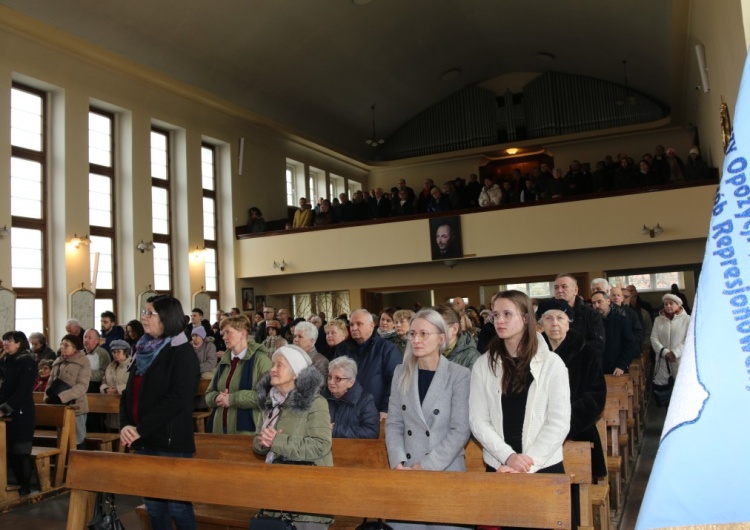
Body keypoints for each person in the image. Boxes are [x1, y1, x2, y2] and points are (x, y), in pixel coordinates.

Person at [385, 308, 471, 530]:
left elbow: (460, 430)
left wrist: (426, 466)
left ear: (441, 338)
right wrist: (399, 462)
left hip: (444, 470)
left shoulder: (459, 375)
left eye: (424, 334)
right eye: (413, 334)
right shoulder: (401, 372)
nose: (416, 340)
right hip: (407, 472)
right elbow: (394, 423)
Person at [120, 295, 201, 530]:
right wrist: (125, 424)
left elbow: (178, 398)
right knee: (154, 508)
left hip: (170, 440)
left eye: (149, 313)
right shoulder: (143, 348)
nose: (143, 318)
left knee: (178, 507)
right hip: (143, 438)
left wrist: (140, 428)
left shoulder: (182, 353)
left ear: (167, 317)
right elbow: (128, 393)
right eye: (143, 312)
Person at [469, 290, 570, 476]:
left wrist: (526, 464)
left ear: (525, 318)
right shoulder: (483, 364)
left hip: (543, 465)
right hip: (500, 465)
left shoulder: (552, 363)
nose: (499, 320)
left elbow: (559, 422)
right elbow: (478, 420)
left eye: (507, 314)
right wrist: (508, 457)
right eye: (495, 315)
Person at [254, 345, 333, 530]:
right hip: (276, 490)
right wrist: (263, 443)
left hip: (307, 494)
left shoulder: (315, 403)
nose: (272, 369)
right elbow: (258, 442)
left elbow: (321, 445)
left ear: (296, 373)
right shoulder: (270, 402)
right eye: (272, 364)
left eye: (279, 365)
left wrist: (277, 441)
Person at [536, 298, 606, 482]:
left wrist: (564, 424)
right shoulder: (532, 355)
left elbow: (595, 397)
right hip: (540, 432)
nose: (555, 323)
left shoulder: (586, 352)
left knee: (577, 489)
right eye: (548, 318)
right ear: (541, 325)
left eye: (560, 318)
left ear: (569, 323)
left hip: (578, 429)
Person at [205, 315, 272, 435]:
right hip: (219, 428)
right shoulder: (224, 361)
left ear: (242, 333)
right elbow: (209, 393)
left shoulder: (261, 360)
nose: (224, 337)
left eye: (228, 332)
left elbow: (266, 396)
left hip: (247, 431)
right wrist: (216, 398)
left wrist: (232, 399)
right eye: (222, 333)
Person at [333, 309, 402, 419]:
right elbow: (333, 379)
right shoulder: (342, 348)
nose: (354, 328)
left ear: (371, 326)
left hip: (376, 413)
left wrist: (386, 409)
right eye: (351, 324)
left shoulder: (386, 349)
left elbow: (395, 382)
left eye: (359, 324)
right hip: (346, 412)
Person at [0, 331, 36, 495]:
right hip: (7, 412)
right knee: (10, 452)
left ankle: (25, 487)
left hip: (22, 412)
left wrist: (5, 408)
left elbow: (23, 390)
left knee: (21, 451)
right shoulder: (6, 360)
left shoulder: (27, 362)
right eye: (4, 340)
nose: (5, 343)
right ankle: (17, 484)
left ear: (19, 343)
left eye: (9, 340)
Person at [48, 333, 91, 449]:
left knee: (77, 439)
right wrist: (48, 397)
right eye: (61, 344)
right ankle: (64, 465)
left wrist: (62, 397)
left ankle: (79, 465)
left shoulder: (83, 361)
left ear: (75, 348)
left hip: (76, 406)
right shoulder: (58, 361)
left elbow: (82, 386)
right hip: (59, 406)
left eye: (66, 345)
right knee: (62, 441)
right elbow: (51, 382)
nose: (62, 347)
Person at [323, 356, 379, 439]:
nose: (331, 382)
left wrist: (336, 429)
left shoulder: (365, 401)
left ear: (351, 382)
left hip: (354, 450)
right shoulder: (321, 398)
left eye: (338, 378)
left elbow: (371, 432)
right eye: (330, 377)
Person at [651, 293, 691, 398]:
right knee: (663, 390)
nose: (668, 306)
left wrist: (675, 353)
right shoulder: (658, 320)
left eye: (671, 303)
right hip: (663, 360)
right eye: (665, 304)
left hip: (679, 360)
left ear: (678, 305)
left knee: (682, 389)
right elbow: (653, 338)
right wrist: (665, 352)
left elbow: (689, 339)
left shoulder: (687, 319)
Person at [434, 303, 480, 368]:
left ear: (455, 329)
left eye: (440, 327)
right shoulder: (430, 352)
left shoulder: (473, 358)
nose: (434, 331)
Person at [100, 339, 131, 431]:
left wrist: (118, 389)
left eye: (118, 352)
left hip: (125, 404)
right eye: (113, 352)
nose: (115, 354)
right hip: (110, 405)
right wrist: (105, 389)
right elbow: (103, 381)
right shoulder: (110, 366)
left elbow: (133, 384)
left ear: (125, 352)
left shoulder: (132, 365)